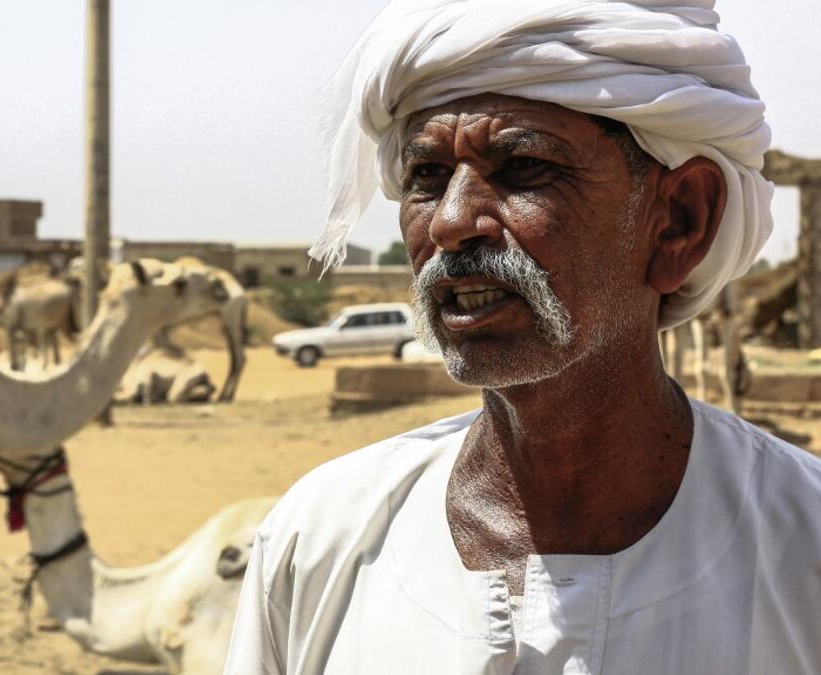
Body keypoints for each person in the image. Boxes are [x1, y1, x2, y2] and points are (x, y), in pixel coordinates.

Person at [225, 1, 821, 673]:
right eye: (426, 176)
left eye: (523, 167)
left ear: (679, 221)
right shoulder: (319, 541)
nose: (451, 222)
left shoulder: (805, 551)